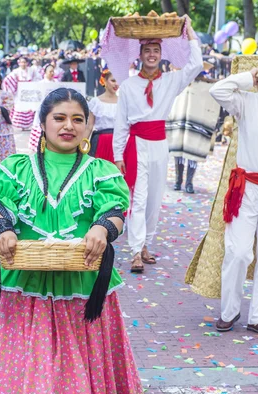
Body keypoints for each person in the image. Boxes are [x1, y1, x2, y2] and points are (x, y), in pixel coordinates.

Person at [0, 88, 159, 394]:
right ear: (42, 124)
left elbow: (116, 208)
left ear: (89, 126)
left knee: (80, 377)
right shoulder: (16, 167)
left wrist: (103, 228)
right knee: (34, 379)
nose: (68, 126)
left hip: (82, 292)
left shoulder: (101, 170)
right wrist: (1, 228)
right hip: (27, 291)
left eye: (78, 119)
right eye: (59, 117)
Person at [113, 15, 202, 273]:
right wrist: (119, 155)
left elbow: (195, 65)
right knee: (138, 199)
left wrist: (191, 32)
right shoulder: (129, 86)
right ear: (139, 55)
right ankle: (134, 252)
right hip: (137, 144)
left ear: (161, 55)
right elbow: (121, 124)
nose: (151, 55)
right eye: (147, 51)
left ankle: (145, 244)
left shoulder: (171, 81)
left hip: (160, 144)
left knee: (154, 198)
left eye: (156, 51)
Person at [208, 67, 258, 333]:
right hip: (247, 186)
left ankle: (256, 317)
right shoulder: (247, 99)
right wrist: (249, 77)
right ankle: (230, 311)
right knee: (238, 252)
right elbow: (217, 90)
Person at [167, 74, 220, 194]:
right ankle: (178, 180)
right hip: (180, 121)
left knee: (193, 153)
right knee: (178, 153)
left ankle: (189, 182)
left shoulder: (203, 86)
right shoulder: (179, 81)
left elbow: (214, 90)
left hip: (195, 123)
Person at [86, 69, 119, 163]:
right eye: (113, 80)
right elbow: (89, 126)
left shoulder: (123, 101)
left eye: (118, 81)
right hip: (100, 141)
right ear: (104, 81)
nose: (116, 84)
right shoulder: (95, 102)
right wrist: (81, 144)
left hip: (118, 143)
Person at [3, 57, 39, 130]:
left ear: (27, 63)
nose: (23, 64)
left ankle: (28, 124)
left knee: (29, 108)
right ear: (19, 63)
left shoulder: (31, 70)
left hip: (29, 92)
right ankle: (20, 125)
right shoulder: (16, 71)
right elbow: (8, 79)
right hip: (19, 93)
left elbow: (37, 78)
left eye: (24, 62)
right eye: (21, 62)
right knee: (19, 107)